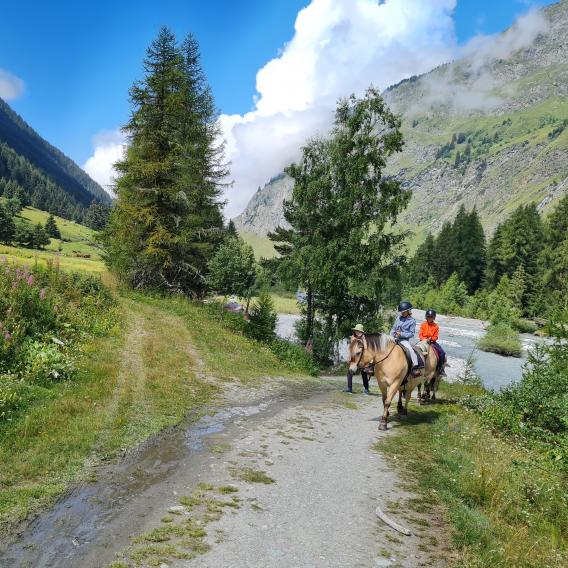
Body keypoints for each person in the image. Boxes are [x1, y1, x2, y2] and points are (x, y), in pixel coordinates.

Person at [391, 301, 423, 377]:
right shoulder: (398, 318)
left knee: (410, 349)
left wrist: (401, 334)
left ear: (408, 311)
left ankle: (415, 366)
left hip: (403, 340)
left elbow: (411, 334)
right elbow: (393, 328)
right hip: (394, 338)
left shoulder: (412, 321)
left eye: (404, 312)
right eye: (401, 312)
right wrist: (391, 337)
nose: (402, 313)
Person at [344, 324, 371, 395]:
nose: (357, 332)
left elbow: (366, 348)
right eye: (356, 331)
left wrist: (360, 341)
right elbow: (350, 348)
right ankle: (349, 388)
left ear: (362, 332)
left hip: (362, 357)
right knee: (350, 372)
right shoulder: (353, 337)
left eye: (359, 331)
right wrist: (349, 357)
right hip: (354, 356)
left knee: (364, 373)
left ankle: (366, 389)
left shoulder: (364, 338)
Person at [419, 309, 446, 376]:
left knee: (442, 353)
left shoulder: (436, 326)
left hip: (432, 342)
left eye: (431, 317)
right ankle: (415, 367)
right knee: (415, 350)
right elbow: (420, 334)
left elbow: (436, 336)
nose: (429, 318)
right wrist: (424, 339)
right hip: (423, 341)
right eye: (428, 317)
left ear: (434, 318)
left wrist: (432, 339)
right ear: (426, 317)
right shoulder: (423, 325)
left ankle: (440, 369)